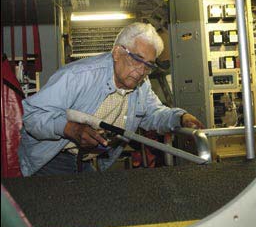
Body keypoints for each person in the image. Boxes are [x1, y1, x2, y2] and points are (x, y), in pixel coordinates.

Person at [18, 22, 204, 176]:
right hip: (51, 158)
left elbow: (153, 113)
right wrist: (69, 128)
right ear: (117, 53)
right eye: (136, 59)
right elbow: (32, 115)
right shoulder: (78, 76)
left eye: (148, 66)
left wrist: (179, 118)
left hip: (87, 160)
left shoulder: (142, 85)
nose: (141, 71)